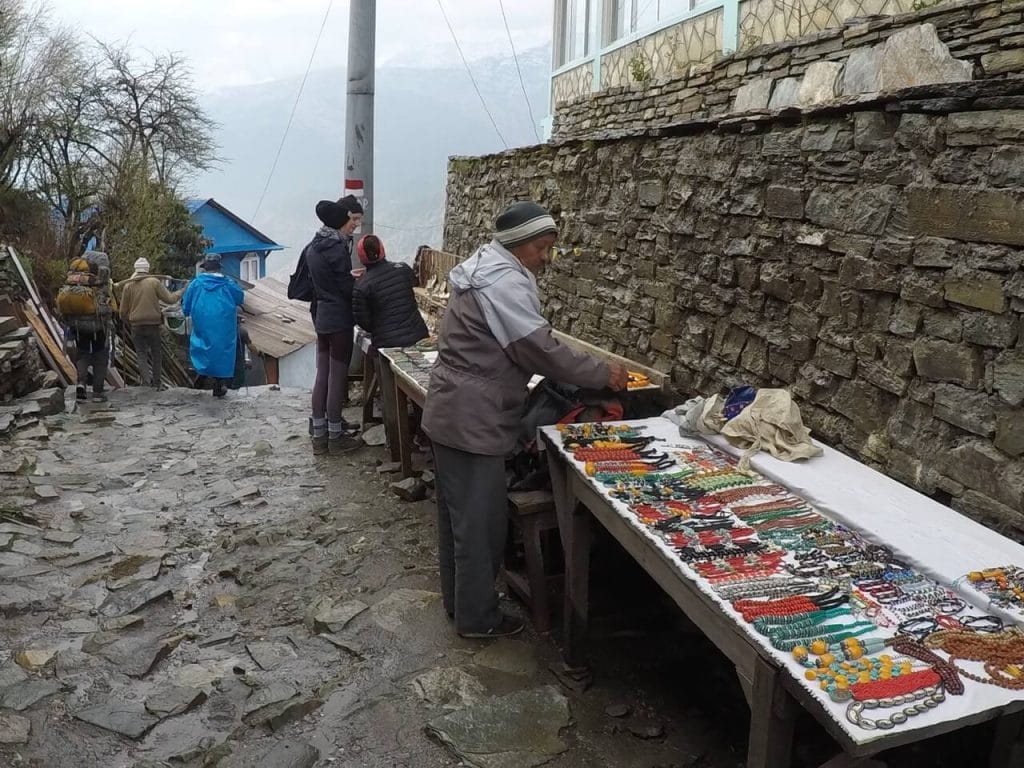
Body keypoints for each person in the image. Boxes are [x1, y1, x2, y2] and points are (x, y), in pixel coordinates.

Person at [422, 201, 629, 639]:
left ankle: (460, 606)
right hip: (471, 418)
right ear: (517, 245)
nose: (545, 257)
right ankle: (479, 621)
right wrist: (601, 372)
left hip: (454, 409)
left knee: (458, 519)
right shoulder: (503, 283)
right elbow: (540, 350)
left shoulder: (484, 268)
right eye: (541, 247)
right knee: (480, 526)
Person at [303, 195, 363, 455]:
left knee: (322, 375)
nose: (353, 225)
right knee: (338, 376)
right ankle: (336, 436)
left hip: (321, 316)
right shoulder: (336, 248)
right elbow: (344, 287)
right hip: (339, 317)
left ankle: (319, 435)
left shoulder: (314, 246)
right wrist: (360, 284)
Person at [181, 254, 244, 398]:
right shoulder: (228, 283)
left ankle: (202, 375)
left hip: (202, 321)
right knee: (222, 351)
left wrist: (186, 311)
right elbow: (240, 297)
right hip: (224, 323)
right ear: (219, 267)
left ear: (205, 268)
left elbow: (186, 305)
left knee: (202, 347)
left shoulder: (196, 283)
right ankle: (218, 384)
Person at [117, 257, 182, 388]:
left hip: (136, 325)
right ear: (147, 269)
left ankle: (146, 383)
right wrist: (182, 290)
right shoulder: (154, 282)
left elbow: (122, 311)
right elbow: (170, 299)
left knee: (141, 354)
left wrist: (127, 320)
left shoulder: (128, 285)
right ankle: (157, 383)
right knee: (156, 353)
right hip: (153, 324)